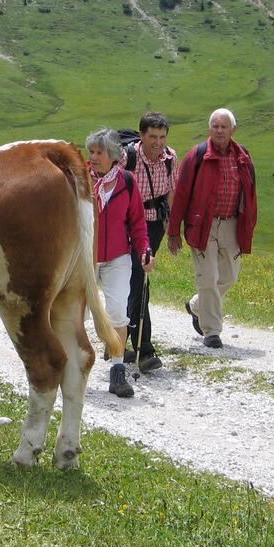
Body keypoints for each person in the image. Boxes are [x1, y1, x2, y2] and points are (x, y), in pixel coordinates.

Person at [167, 108, 257, 349]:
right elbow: (182, 193)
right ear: (210, 129)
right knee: (208, 277)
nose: (219, 130)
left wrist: (248, 227)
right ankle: (212, 331)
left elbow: (250, 196)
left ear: (233, 130)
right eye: (215, 126)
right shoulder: (197, 155)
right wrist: (174, 231)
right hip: (202, 225)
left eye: (223, 126)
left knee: (229, 276)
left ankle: (197, 306)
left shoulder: (243, 157)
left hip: (231, 224)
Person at [87, 128, 155, 397]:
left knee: (117, 311)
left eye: (99, 152)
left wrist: (145, 250)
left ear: (114, 155)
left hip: (117, 257)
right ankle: (69, 367)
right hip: (85, 259)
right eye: (91, 152)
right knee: (77, 313)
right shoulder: (81, 180)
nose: (93, 157)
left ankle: (117, 371)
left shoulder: (127, 181)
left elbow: (137, 223)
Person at [124, 112, 177, 372]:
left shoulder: (170, 158)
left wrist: (172, 230)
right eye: (153, 137)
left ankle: (119, 338)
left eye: (162, 136)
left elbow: (169, 194)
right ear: (142, 135)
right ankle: (143, 349)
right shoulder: (128, 158)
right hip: (129, 226)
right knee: (137, 278)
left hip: (155, 225)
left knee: (137, 279)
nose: (158, 142)